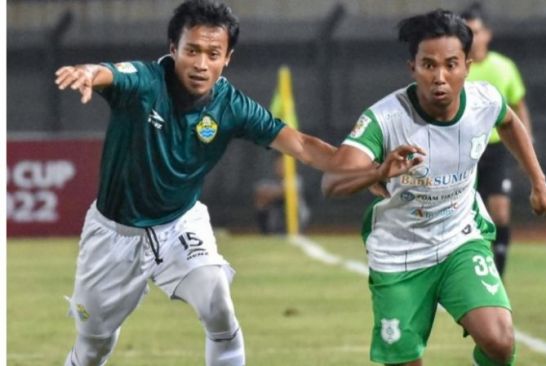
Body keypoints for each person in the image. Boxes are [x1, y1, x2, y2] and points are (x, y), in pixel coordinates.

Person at [54, 1, 422, 365]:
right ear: (173, 49)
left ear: (227, 57)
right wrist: (87, 73)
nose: (201, 64)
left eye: (213, 53)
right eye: (192, 50)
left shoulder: (232, 106)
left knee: (218, 305)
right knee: (93, 346)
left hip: (178, 224)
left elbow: (303, 146)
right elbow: (109, 73)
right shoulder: (146, 82)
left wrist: (366, 169)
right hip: (114, 235)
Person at [321, 9, 546, 366]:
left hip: (459, 238)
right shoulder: (384, 119)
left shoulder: (484, 101)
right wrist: (377, 172)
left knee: (500, 341)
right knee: (405, 360)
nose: (440, 77)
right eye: (428, 65)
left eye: (451, 64)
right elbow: (332, 182)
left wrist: (538, 182)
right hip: (399, 253)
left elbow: (509, 122)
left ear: (468, 66)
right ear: (412, 68)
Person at [461, 3, 534, 277]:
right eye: (466, 32)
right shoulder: (457, 69)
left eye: (476, 32)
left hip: (497, 146)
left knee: (500, 213)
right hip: (464, 150)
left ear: (487, 34)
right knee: (464, 217)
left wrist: (525, 143)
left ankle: (498, 276)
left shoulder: (504, 68)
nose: (472, 38)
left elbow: (518, 106)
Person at [254, 154, 310, 234]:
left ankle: (294, 232)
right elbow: (260, 192)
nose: (280, 167)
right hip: (275, 222)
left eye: (283, 164)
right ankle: (266, 233)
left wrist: (273, 193)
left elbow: (283, 191)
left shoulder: (295, 179)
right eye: (278, 164)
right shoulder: (271, 181)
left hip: (296, 221)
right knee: (261, 203)